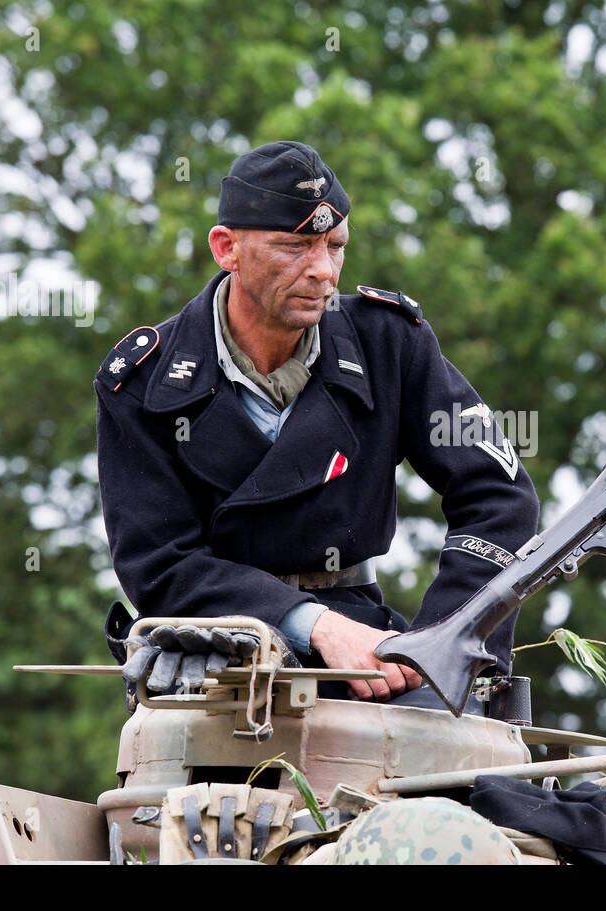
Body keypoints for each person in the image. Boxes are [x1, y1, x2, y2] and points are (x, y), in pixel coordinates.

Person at [94, 141, 540, 705]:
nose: (323, 271)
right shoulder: (142, 382)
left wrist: (444, 642)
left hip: (376, 656)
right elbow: (159, 565)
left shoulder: (389, 344)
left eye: (335, 246)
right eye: (295, 247)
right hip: (215, 659)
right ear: (226, 248)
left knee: (484, 782)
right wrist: (317, 626)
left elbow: (499, 496)